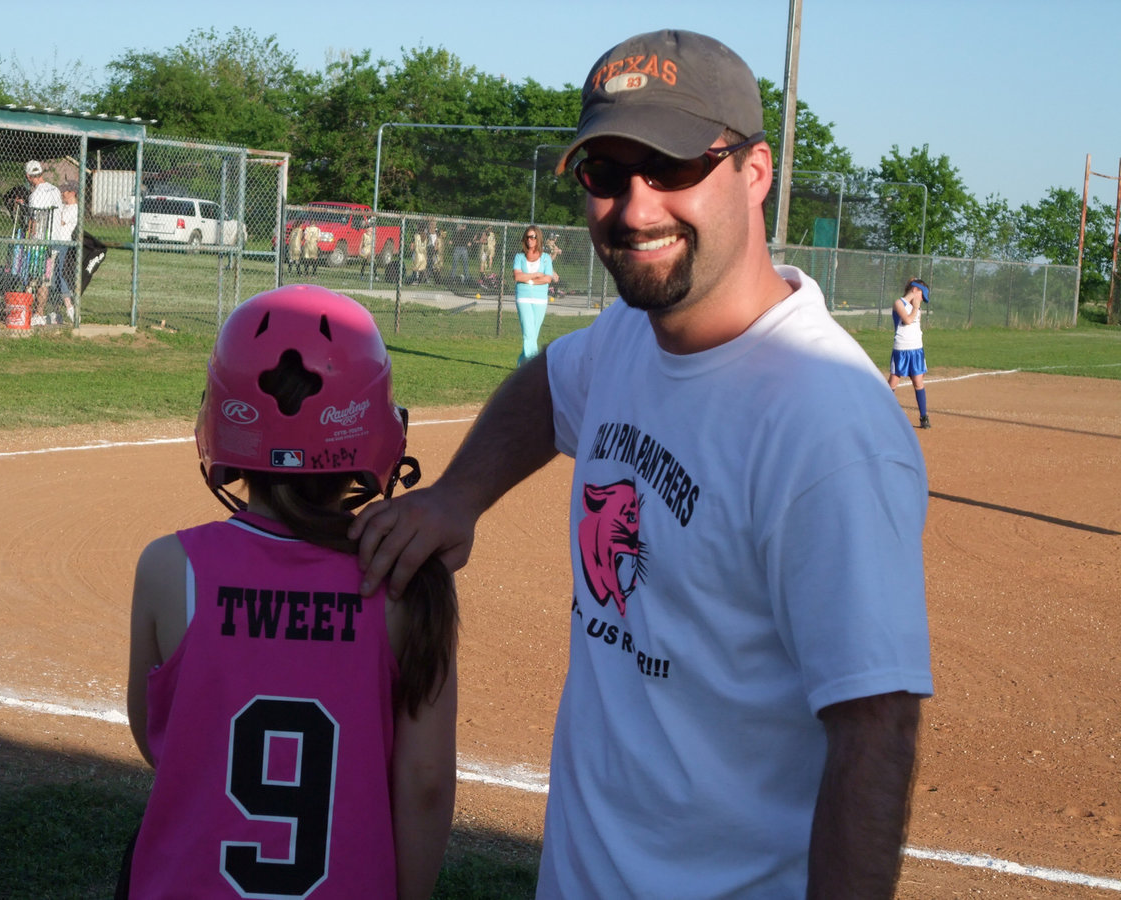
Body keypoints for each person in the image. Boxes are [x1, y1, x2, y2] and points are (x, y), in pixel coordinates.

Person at [351, 28, 931, 899]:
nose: (635, 205)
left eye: (673, 168)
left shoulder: (827, 426)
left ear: (756, 171)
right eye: (606, 173)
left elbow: (874, 730)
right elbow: (552, 383)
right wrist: (459, 496)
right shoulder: (630, 334)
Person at [120, 284, 459, 900]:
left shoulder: (170, 568)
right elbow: (427, 781)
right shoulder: (408, 580)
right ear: (375, 427)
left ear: (221, 420)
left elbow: (157, 741)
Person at [512, 224, 558, 366]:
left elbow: (548, 279)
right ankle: (532, 367)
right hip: (523, 298)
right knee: (528, 333)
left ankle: (522, 364)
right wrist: (537, 275)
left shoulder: (545, 258)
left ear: (538, 239)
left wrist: (529, 279)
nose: (530, 240)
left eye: (533, 237)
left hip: (540, 299)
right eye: (527, 237)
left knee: (533, 335)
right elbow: (517, 277)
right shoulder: (519, 257)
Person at [888, 278, 931, 428]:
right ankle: (880, 413)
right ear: (914, 290)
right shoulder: (899, 303)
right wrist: (915, 307)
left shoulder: (916, 305)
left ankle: (923, 416)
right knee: (893, 381)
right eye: (921, 294)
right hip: (901, 348)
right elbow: (906, 320)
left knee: (918, 382)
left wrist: (916, 305)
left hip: (916, 348)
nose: (921, 299)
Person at [23, 160, 61, 323]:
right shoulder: (55, 190)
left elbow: (34, 221)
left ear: (28, 176)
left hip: (39, 242)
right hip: (54, 240)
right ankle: (39, 313)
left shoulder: (35, 194)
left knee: (33, 278)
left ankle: (28, 310)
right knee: (46, 278)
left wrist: (29, 240)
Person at [52, 181, 79, 324]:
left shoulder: (74, 209)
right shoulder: (63, 206)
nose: (63, 194)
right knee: (53, 279)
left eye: (66, 192)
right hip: (53, 243)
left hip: (63, 244)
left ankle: (70, 308)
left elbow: (59, 222)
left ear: (73, 193)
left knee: (60, 276)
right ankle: (56, 311)